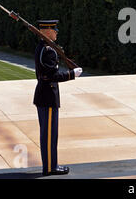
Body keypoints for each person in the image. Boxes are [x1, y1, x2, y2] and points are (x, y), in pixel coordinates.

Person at [33, 20, 82, 176]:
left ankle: (52, 164)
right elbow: (51, 76)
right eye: (54, 30)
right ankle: (49, 168)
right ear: (47, 32)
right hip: (47, 97)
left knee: (51, 134)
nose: (56, 32)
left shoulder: (44, 48)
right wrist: (71, 74)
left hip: (46, 96)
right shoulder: (48, 51)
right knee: (48, 135)